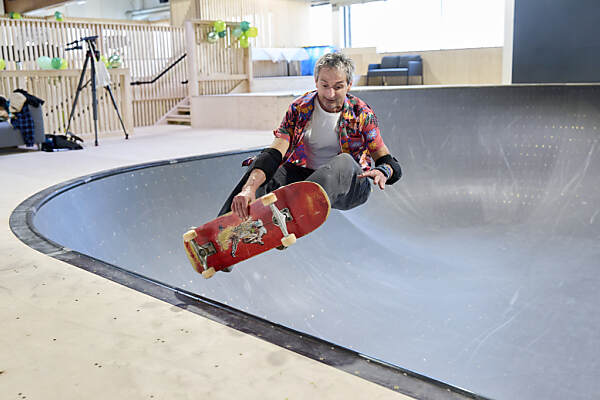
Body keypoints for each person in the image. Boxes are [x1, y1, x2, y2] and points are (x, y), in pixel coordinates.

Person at [218, 51, 401, 237]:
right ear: (316, 83)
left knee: (343, 161)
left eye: (338, 87)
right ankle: (221, 233)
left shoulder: (362, 114)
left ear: (349, 85)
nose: (330, 94)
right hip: (306, 181)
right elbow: (274, 152)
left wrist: (384, 171)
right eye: (324, 86)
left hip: (351, 187)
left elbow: (388, 160)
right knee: (261, 164)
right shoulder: (299, 109)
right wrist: (250, 189)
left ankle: (285, 222)